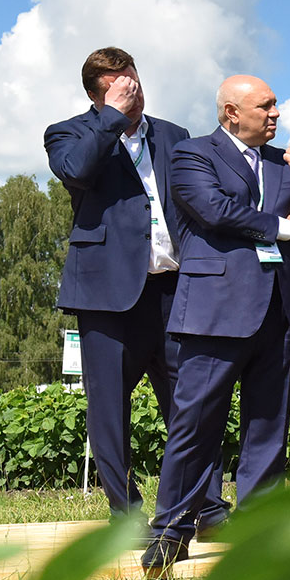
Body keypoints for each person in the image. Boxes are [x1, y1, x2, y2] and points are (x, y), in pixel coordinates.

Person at [143, 74, 290, 577]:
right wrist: (282, 227)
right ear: (231, 112)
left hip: (280, 312)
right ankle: (171, 532)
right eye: (265, 106)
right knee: (195, 425)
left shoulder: (283, 163)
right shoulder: (192, 154)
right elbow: (213, 210)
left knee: (268, 429)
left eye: (276, 105)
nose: (276, 114)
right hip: (216, 311)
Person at [44, 47, 225, 526]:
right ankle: (125, 514)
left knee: (193, 404)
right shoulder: (69, 133)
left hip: (174, 290)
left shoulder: (173, 135)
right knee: (109, 410)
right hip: (108, 297)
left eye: (135, 81)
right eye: (119, 86)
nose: (133, 92)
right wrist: (112, 119)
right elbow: (76, 171)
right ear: (96, 95)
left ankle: (205, 506)